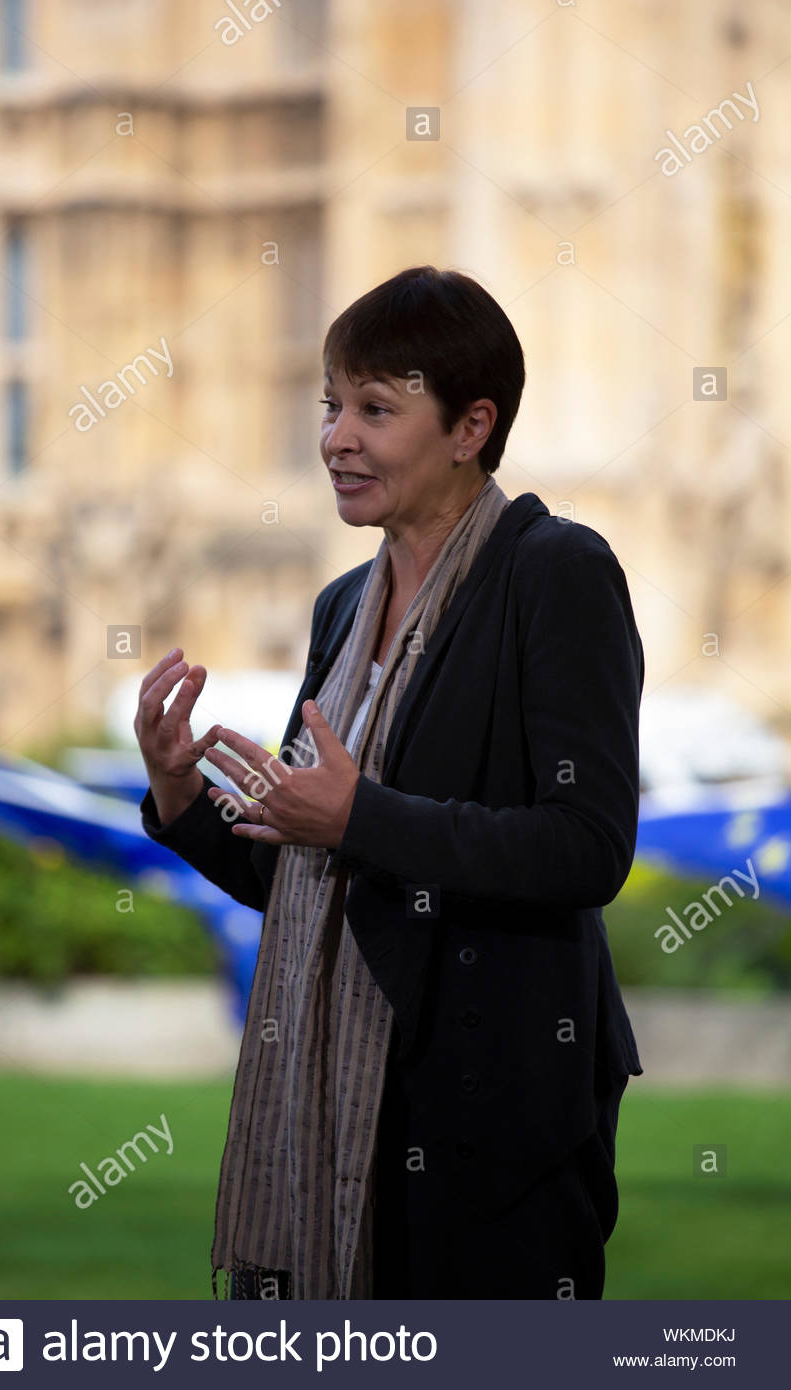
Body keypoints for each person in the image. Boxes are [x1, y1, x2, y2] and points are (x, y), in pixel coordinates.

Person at [135, 264, 644, 1301]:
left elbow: (585, 845)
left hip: (486, 1126)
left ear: (470, 426)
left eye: (375, 407)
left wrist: (362, 815)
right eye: (330, 404)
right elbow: (305, 868)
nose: (336, 437)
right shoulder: (338, 607)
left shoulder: (553, 572)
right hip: (318, 1109)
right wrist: (182, 794)